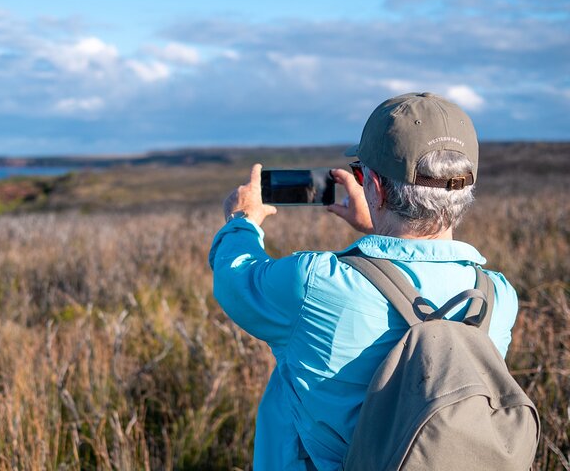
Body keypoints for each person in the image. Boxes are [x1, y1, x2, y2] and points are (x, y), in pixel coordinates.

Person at [208, 92, 519, 470]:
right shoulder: (497, 297)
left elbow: (235, 278)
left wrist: (241, 221)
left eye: (360, 172)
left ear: (375, 184)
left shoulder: (315, 284)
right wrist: (379, 224)